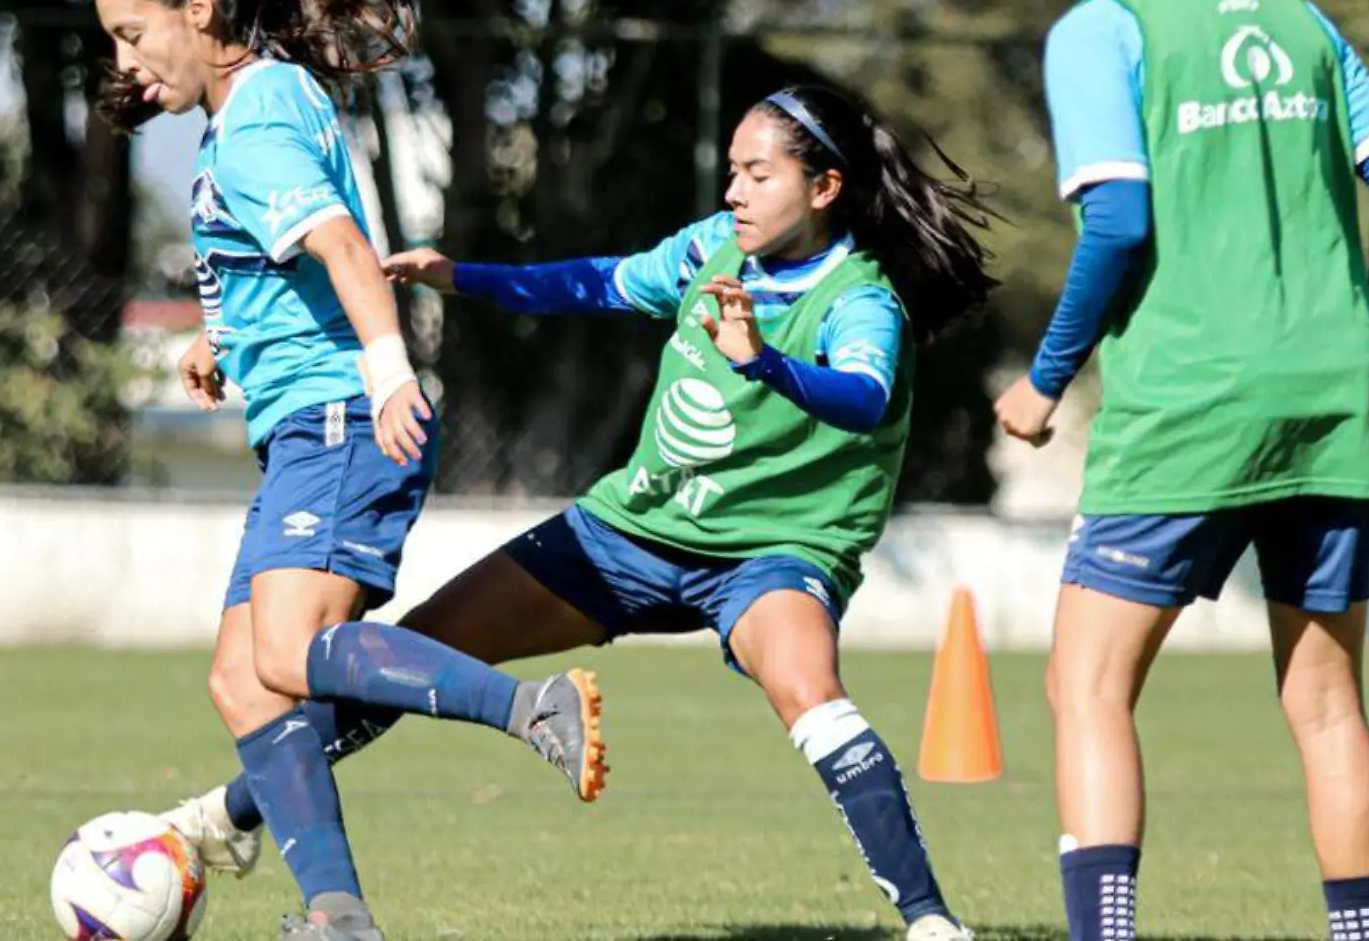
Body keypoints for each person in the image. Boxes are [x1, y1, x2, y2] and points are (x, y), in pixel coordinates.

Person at [167, 82, 1000, 941]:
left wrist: (763, 364)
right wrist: (463, 278)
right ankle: (227, 818)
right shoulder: (714, 248)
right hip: (629, 534)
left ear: (824, 189)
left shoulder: (861, 297)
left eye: (757, 175)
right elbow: (600, 283)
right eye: (732, 173)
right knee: (418, 652)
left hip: (774, 553)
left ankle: (931, 922)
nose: (733, 193)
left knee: (808, 691)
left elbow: (862, 397)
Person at [94, 0, 606, 941]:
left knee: (286, 655)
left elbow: (334, 242)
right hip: (304, 424)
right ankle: (336, 914)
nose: (123, 62)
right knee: (244, 682)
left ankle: (530, 710)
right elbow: (276, 270)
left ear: (198, 8)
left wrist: (386, 374)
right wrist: (219, 339)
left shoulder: (254, 125)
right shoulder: (249, 114)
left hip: (340, 421)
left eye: (131, 33)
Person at [990, 0, 1369, 939]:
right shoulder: (1297, 15)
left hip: (1189, 402)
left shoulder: (1103, 28)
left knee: (1086, 687)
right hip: (1328, 397)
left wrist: (1047, 377)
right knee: (1326, 705)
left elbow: (1118, 224)